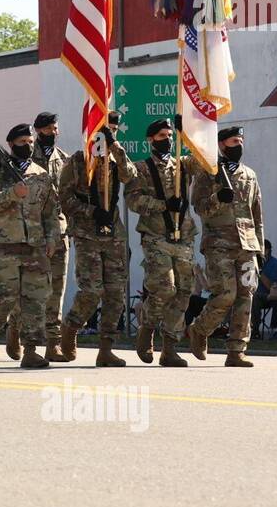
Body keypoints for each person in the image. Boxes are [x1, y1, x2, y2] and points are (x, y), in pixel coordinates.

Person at [57, 111, 138, 366]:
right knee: (91, 290)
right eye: (105, 129)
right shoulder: (78, 161)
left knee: (115, 293)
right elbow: (65, 200)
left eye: (113, 129)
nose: (110, 133)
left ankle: (106, 348)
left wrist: (115, 146)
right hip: (86, 233)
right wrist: (92, 211)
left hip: (113, 233)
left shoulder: (116, 161)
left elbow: (131, 176)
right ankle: (70, 328)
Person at [125, 118, 204, 366]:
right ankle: (147, 328)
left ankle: (169, 346)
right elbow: (133, 200)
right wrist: (162, 205)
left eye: (170, 136)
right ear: (150, 140)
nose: (167, 140)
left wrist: (187, 133)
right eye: (162, 136)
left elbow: (205, 162)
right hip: (156, 236)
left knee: (183, 292)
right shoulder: (142, 168)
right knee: (165, 288)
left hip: (183, 237)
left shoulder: (182, 164)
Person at [0, 123, 59, 367]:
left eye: (31, 142)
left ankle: (31, 350)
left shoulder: (41, 174)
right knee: (4, 299)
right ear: (11, 144)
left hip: (34, 247)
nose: (29, 146)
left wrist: (52, 237)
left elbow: (51, 211)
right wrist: (13, 193)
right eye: (23, 143)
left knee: (35, 300)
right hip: (5, 247)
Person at [190, 126, 264, 367]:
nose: (239, 145)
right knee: (225, 294)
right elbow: (199, 207)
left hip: (247, 244)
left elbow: (257, 214)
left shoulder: (249, 175)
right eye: (234, 141)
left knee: (246, 296)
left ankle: (236, 351)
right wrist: (217, 198)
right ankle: (200, 329)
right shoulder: (207, 172)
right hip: (218, 243)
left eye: (241, 140)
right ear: (221, 145)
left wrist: (259, 249)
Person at [31, 111, 71, 360]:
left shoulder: (64, 159)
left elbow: (69, 197)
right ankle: (20, 333)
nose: (54, 133)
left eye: (56, 129)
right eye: (49, 129)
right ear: (38, 130)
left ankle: (52, 344)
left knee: (57, 289)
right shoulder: (22, 159)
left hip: (59, 232)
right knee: (33, 291)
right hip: (32, 235)